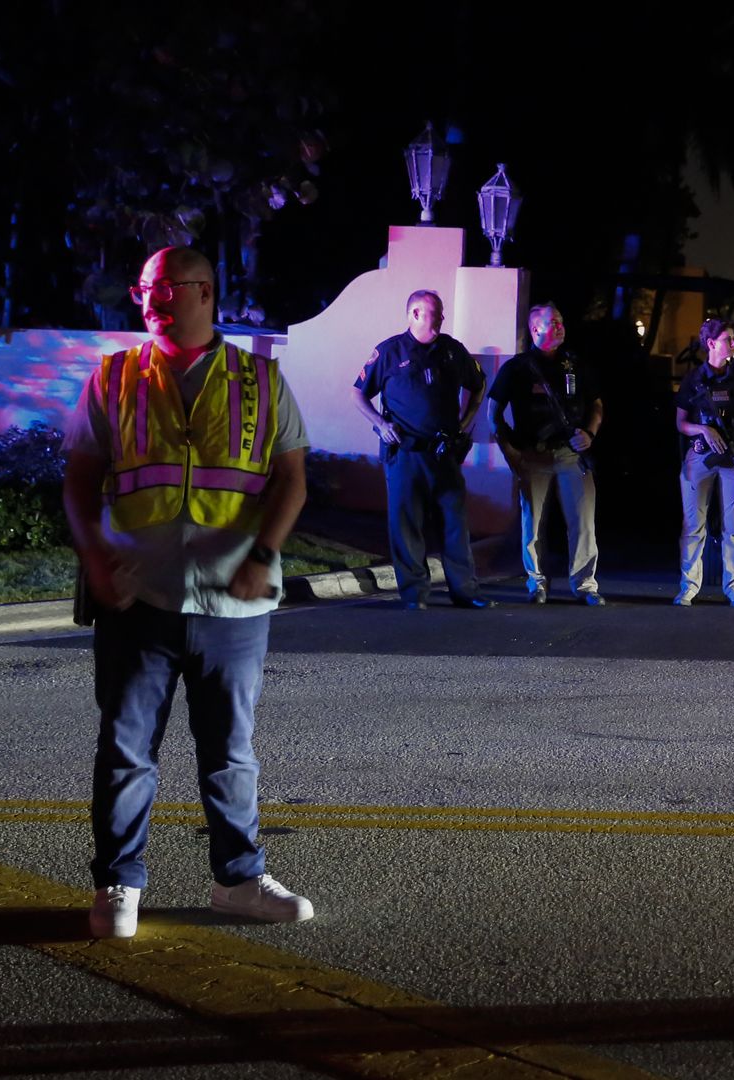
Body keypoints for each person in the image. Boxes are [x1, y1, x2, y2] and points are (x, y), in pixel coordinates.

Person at [62, 246, 315, 940]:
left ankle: (237, 879)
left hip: (235, 599)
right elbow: (80, 481)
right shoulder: (114, 377)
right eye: (144, 288)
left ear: (205, 291)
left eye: (165, 288)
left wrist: (265, 555)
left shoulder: (260, 380)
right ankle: (118, 883)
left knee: (230, 750)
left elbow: (291, 477)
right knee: (125, 748)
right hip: (138, 595)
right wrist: (96, 559)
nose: (150, 300)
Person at [350, 289, 493, 610]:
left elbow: (478, 384)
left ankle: (465, 592)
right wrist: (380, 424)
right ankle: (415, 594)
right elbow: (358, 394)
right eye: (436, 313)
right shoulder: (388, 352)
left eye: (441, 313)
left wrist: (466, 420)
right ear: (415, 314)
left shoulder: (453, 351)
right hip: (406, 453)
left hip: (444, 453)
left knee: (455, 524)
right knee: (407, 524)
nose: (442, 318)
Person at [488, 303, 605, 605]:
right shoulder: (517, 367)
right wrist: (510, 451)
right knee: (534, 523)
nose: (560, 326)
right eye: (552, 322)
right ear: (535, 329)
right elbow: (493, 412)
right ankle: (536, 583)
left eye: (561, 320)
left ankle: (585, 585)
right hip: (533, 455)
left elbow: (596, 404)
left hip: (570, 454)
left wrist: (589, 433)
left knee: (583, 521)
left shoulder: (574, 363)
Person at [673, 318, 734, 607]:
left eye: (733, 339)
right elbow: (681, 423)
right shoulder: (693, 379)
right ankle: (688, 587)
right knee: (693, 525)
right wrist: (703, 429)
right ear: (711, 344)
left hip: (733, 458)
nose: (733, 344)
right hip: (701, 457)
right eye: (728, 339)